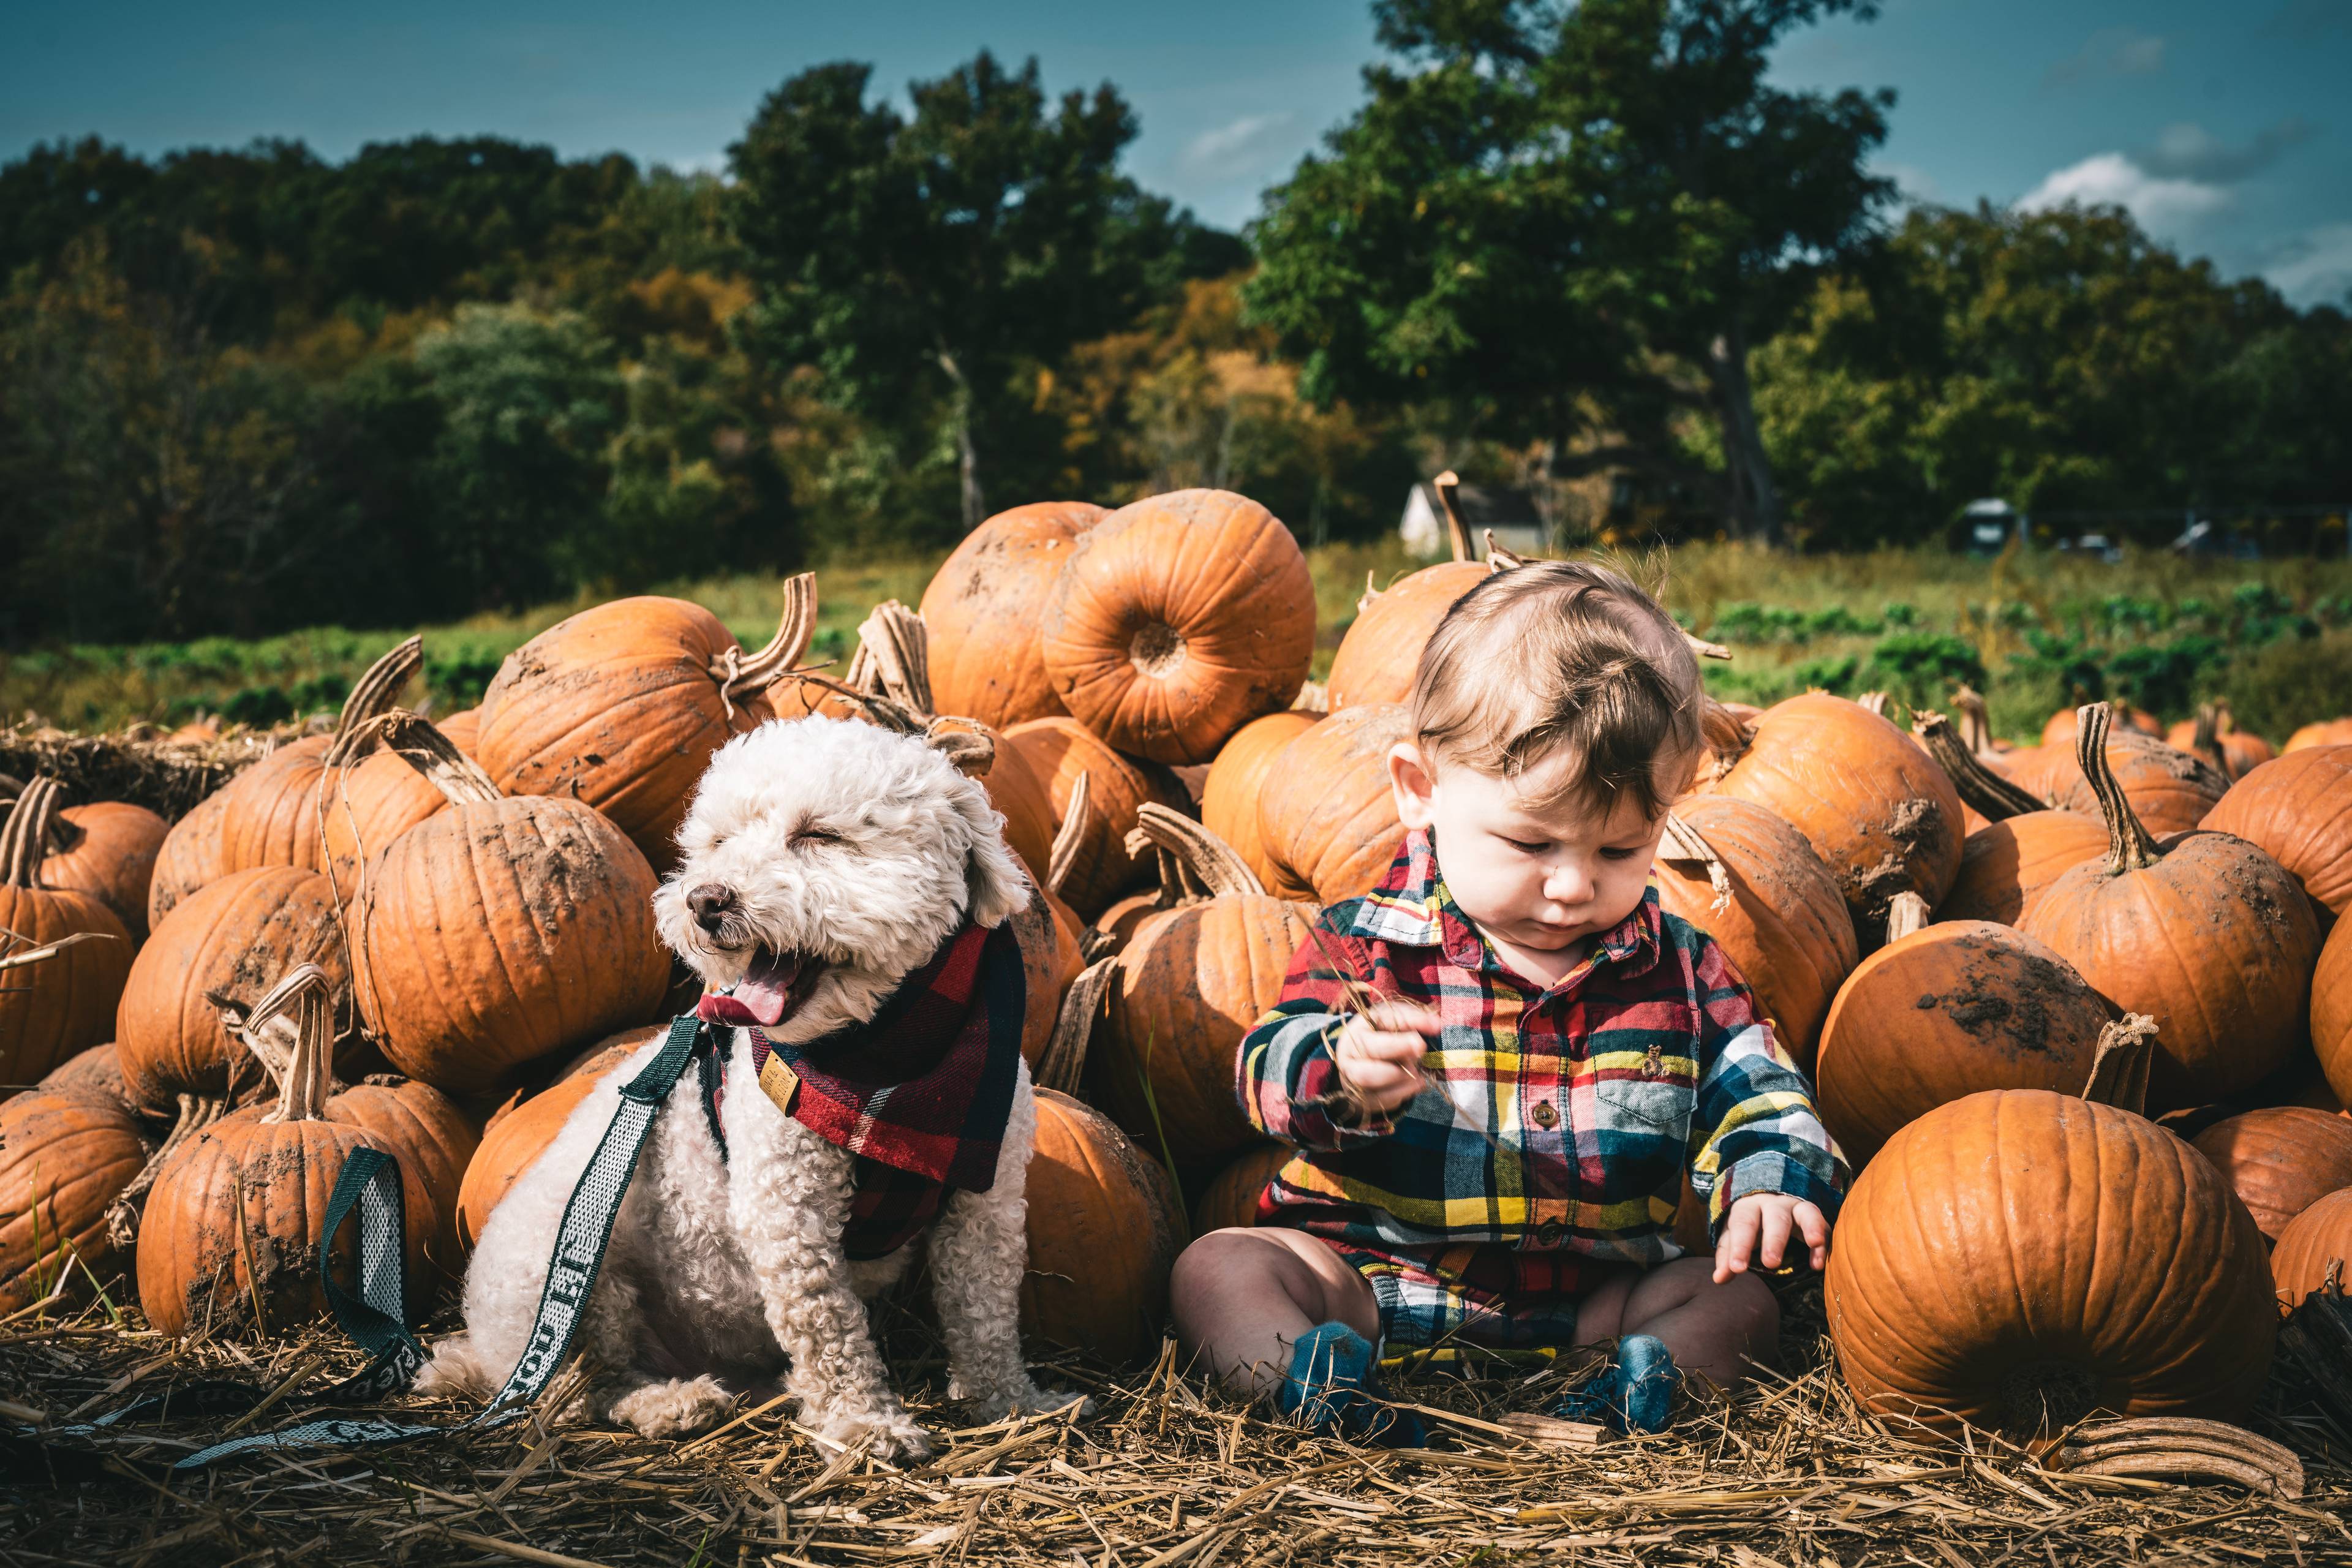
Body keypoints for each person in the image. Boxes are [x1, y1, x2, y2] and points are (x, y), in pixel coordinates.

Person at [1169, 560, 1844, 1440]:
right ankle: (1322, 1390)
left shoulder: (1682, 970)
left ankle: (1632, 1393)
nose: (1572, 886)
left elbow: (1759, 1087)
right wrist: (1338, 1072)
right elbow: (1262, 1065)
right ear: (1421, 789)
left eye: (1618, 851)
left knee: (1737, 1302)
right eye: (1531, 843)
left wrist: (1768, 1179)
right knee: (1218, 1268)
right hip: (1368, 1283)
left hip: (1596, 1306)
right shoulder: (1366, 944)